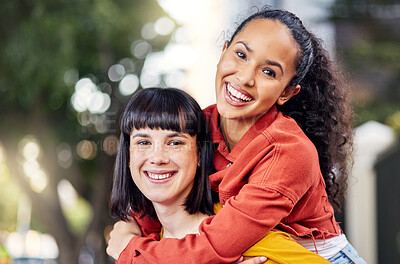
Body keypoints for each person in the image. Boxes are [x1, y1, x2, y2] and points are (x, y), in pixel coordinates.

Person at [107, 8, 366, 264]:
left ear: (286, 92)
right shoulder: (197, 125)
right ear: (224, 52)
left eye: (269, 72)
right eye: (241, 55)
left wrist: (130, 252)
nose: (244, 77)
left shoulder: (289, 151)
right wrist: (128, 231)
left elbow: (217, 245)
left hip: (310, 257)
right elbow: (150, 206)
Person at [109, 87, 330, 264]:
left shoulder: (245, 241)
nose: (157, 157)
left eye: (175, 142)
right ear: (127, 157)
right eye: (143, 142)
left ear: (199, 154)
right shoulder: (147, 239)